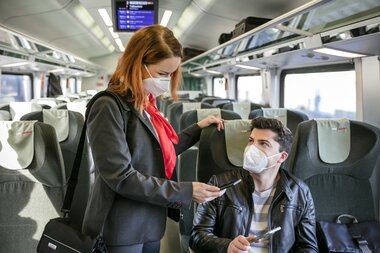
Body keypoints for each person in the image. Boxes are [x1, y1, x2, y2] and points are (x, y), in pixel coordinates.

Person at [82, 24, 225, 253]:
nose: (166, 81)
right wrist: (185, 191)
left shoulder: (146, 103)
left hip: (151, 218)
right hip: (122, 225)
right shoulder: (108, 106)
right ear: (137, 64)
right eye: (162, 74)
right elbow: (120, 177)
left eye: (171, 74)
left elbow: (158, 151)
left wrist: (198, 128)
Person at [189, 117, 318, 253]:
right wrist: (226, 246)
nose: (251, 148)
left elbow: (308, 247)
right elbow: (197, 236)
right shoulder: (220, 184)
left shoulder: (300, 192)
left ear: (282, 157)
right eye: (251, 141)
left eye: (263, 144)